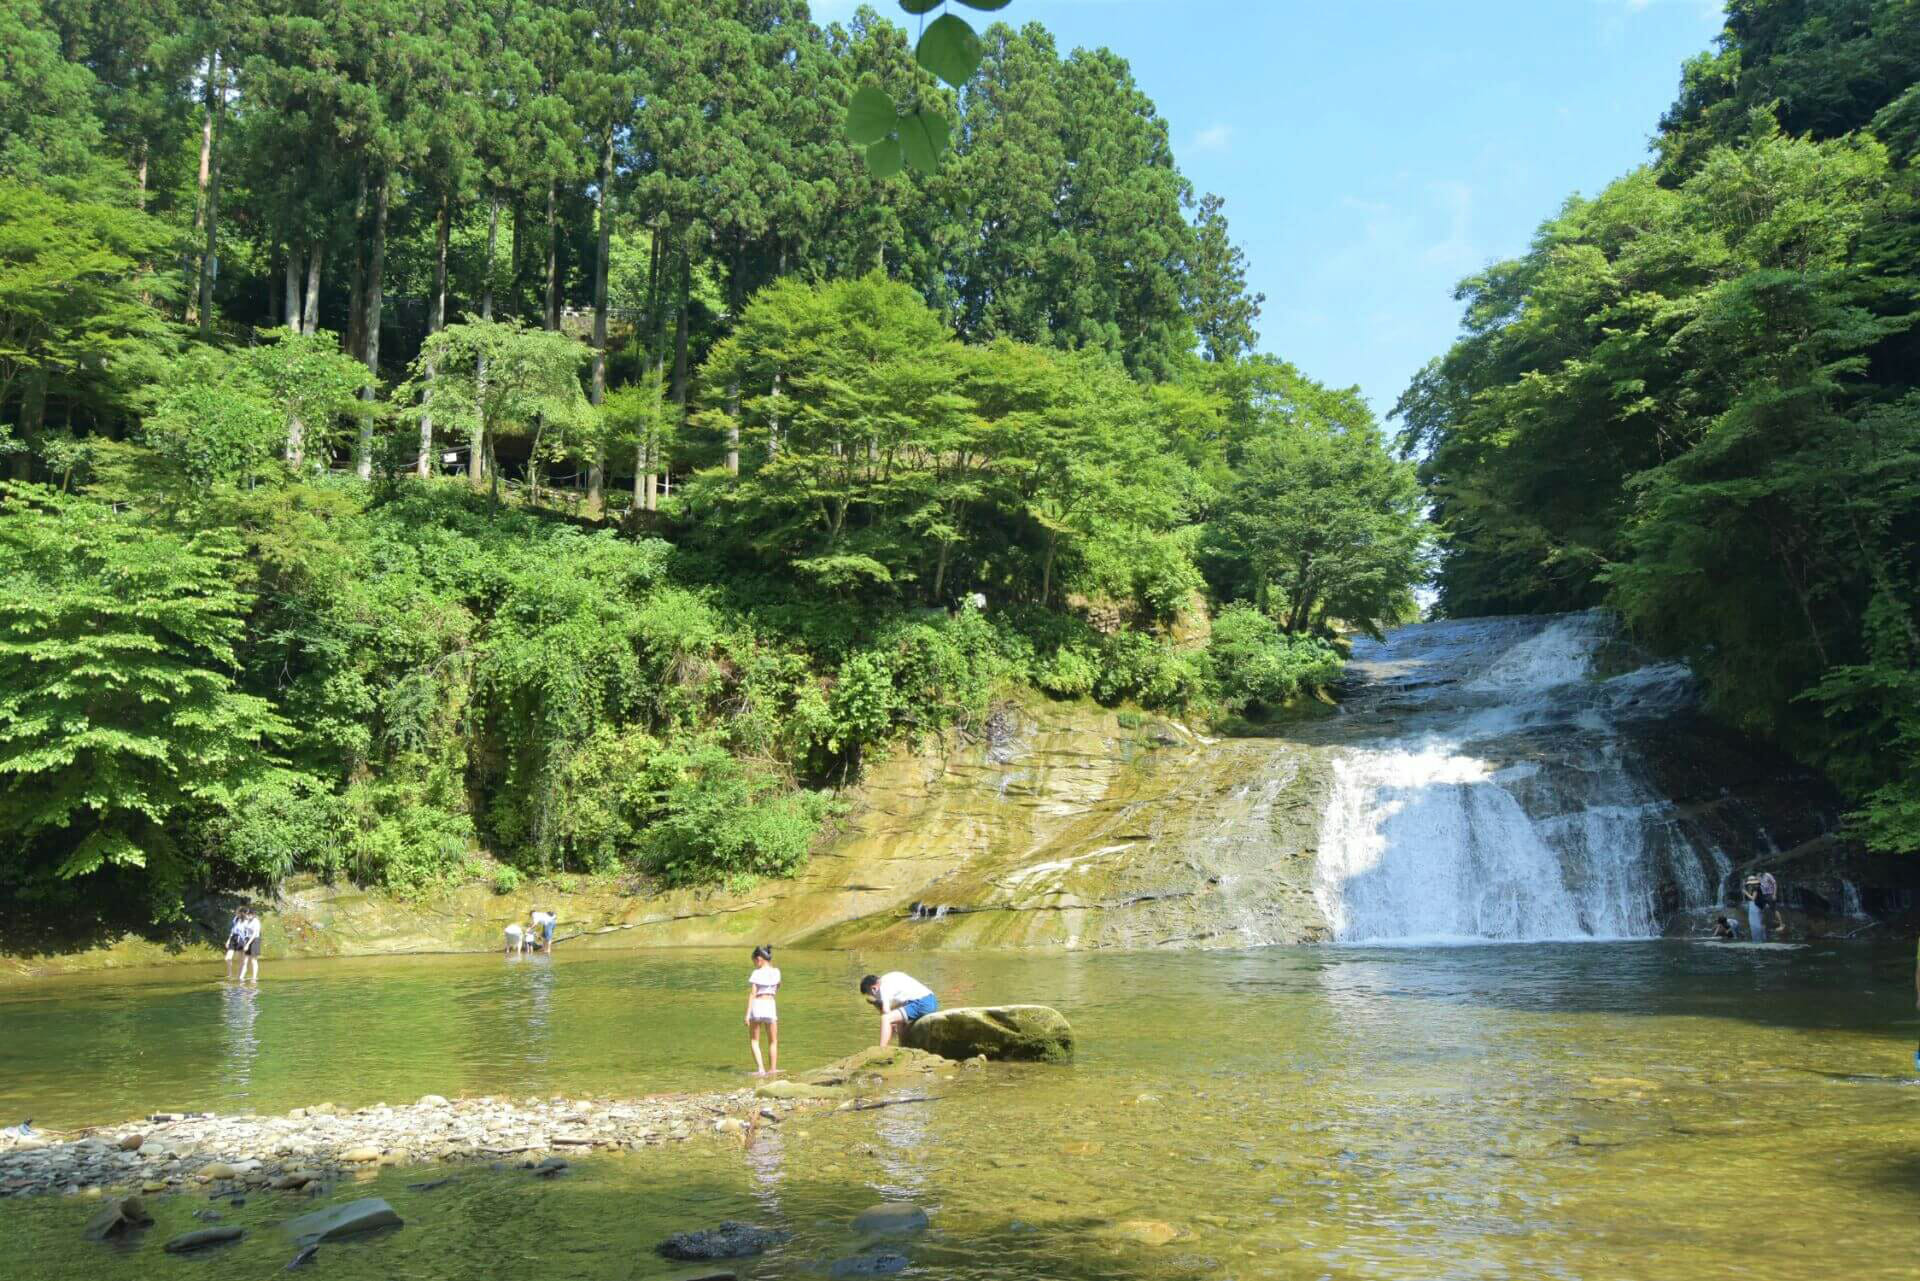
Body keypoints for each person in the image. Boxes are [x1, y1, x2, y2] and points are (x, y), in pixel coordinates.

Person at [860, 972, 938, 1048]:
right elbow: (896, 1004)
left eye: (870, 993)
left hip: (922, 1002)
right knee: (899, 1023)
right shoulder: (889, 978)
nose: (874, 996)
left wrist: (889, 1023)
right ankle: (903, 1048)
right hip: (931, 1000)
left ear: (874, 988)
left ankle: (881, 1049)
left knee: (886, 1018)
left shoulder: (883, 987)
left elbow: (886, 1012)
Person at [745, 945, 781, 1076]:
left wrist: (747, 1014)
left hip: (757, 1005)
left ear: (759, 959)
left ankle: (760, 1069)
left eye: (754, 961)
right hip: (770, 1004)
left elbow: (752, 994)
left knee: (754, 1040)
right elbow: (777, 988)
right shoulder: (776, 971)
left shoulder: (756, 973)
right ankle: (773, 1069)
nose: (754, 964)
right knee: (773, 1040)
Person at [237, 910, 262, 982]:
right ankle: (241, 977)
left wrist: (247, 944)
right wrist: (245, 942)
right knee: (245, 960)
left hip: (255, 940)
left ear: (253, 914)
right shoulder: (247, 921)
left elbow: (254, 934)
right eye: (247, 915)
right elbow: (245, 932)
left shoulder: (256, 921)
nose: (247, 916)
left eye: (249, 914)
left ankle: (254, 977)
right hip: (248, 939)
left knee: (253, 960)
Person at [1757, 870, 1785, 936]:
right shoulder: (1758, 877)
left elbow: (1774, 883)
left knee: (1774, 909)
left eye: (1759, 872)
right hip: (1764, 895)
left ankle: (1781, 924)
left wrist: (1774, 894)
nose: (1758, 874)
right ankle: (1765, 925)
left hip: (1770, 894)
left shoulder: (1767, 875)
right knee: (1763, 909)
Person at [1742, 876, 1768, 943]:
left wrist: (1746, 893)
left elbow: (1753, 898)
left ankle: (1757, 939)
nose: (1749, 884)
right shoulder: (1759, 887)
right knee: (1759, 922)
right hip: (1759, 906)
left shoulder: (1756, 888)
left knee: (1755, 922)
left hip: (1755, 906)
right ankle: (1763, 939)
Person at [223, 908, 248, 976]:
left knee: (240, 960)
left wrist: (246, 943)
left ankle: (240, 975)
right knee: (227, 958)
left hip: (241, 940)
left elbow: (247, 933)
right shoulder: (236, 919)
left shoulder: (246, 921)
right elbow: (232, 930)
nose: (236, 914)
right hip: (233, 938)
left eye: (238, 913)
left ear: (241, 913)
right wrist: (228, 940)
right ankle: (229, 974)